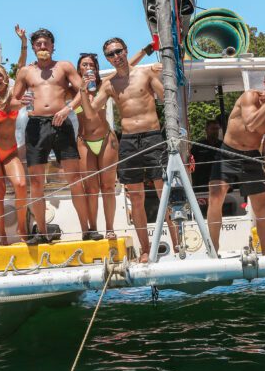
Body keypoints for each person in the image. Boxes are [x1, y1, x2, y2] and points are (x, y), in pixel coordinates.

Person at [79, 37, 178, 262]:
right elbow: (91, 112)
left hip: (153, 138)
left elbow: (167, 98)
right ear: (107, 58)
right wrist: (83, 92)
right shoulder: (109, 84)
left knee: (164, 194)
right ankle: (145, 249)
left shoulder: (145, 74)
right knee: (136, 197)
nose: (116, 57)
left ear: (126, 51)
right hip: (129, 141)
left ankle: (177, 244)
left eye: (118, 51)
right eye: (111, 54)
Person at [12, 28, 89, 245]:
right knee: (36, 182)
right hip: (36, 125)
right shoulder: (26, 72)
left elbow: (82, 90)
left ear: (53, 46)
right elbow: (12, 101)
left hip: (61, 122)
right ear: (34, 48)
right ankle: (43, 233)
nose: (43, 47)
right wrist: (22, 102)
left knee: (74, 178)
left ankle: (86, 230)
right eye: (39, 44)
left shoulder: (63, 66)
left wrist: (67, 109)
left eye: (46, 44)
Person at [207, 68, 265, 254]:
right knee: (215, 197)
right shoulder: (249, 96)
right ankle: (213, 250)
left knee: (261, 206)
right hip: (227, 152)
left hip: (252, 158)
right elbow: (251, 124)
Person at [0, 25, 28, 244]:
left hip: (9, 151)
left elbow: (21, 68)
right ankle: (1, 234)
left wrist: (23, 42)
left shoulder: (14, 97)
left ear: (5, 77)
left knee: (20, 185)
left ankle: (22, 229)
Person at [78, 53, 118, 240]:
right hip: (84, 141)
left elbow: (124, 68)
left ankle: (110, 228)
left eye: (91, 65)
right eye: (84, 65)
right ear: (79, 69)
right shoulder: (73, 89)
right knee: (91, 189)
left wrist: (146, 52)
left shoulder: (104, 85)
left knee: (108, 187)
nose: (88, 68)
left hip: (106, 139)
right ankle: (93, 229)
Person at [190, 117, 223, 203]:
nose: (215, 131)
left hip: (219, 181)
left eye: (217, 129)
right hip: (201, 185)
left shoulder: (223, 146)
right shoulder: (198, 146)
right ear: (206, 130)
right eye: (212, 129)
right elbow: (191, 163)